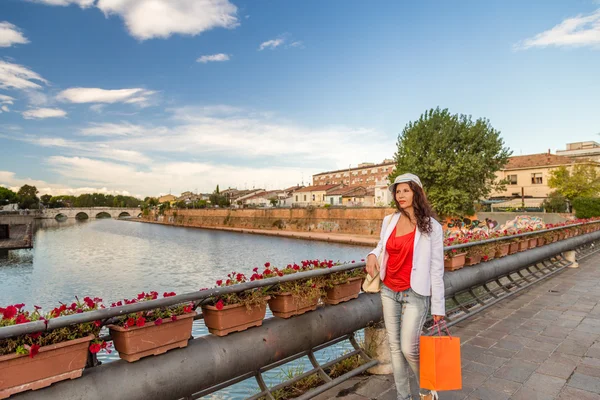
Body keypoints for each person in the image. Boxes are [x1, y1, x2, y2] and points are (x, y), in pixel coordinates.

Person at [366, 173, 445, 400]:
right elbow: (382, 246)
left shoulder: (432, 227)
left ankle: (426, 389)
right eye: (397, 191)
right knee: (394, 348)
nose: (400, 195)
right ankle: (403, 397)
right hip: (389, 290)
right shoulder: (389, 221)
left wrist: (438, 307)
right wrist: (372, 254)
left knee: (408, 348)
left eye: (405, 191)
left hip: (415, 293)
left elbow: (436, 269)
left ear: (416, 193)